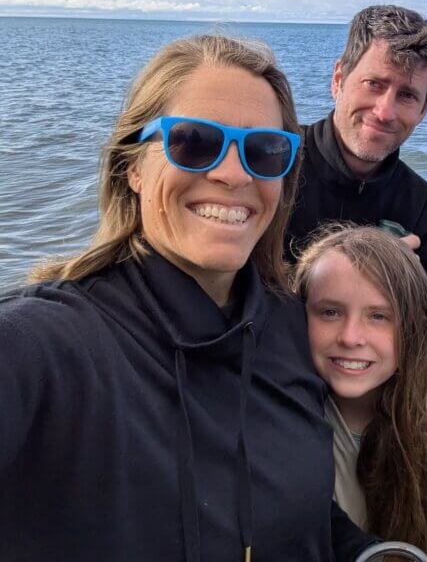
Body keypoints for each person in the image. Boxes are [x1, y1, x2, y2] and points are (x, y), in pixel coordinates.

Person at [0, 35, 372, 561]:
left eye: (264, 150)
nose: (233, 173)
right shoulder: (50, 344)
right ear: (133, 165)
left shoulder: (289, 325)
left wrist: (373, 553)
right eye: (194, 142)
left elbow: (293, 505)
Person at [294, 224, 427, 562]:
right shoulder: (280, 400)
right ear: (299, 314)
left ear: (414, 326)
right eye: (330, 312)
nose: (351, 337)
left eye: (379, 316)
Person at [286, 5, 427, 296]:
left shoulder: (424, 209)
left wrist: (405, 294)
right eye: (373, 84)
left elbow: (416, 334)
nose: (385, 112)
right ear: (338, 80)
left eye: (407, 95)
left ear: (424, 108)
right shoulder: (274, 158)